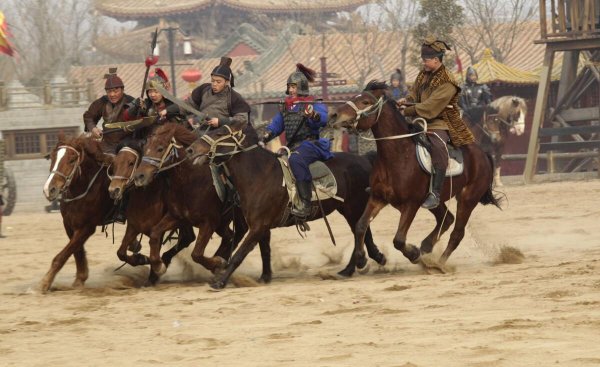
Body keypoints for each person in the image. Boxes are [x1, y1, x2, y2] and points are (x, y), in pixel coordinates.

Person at [398, 36, 475, 209]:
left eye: (425, 60)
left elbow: (431, 108)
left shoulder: (448, 81)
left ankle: (435, 193)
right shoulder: (423, 74)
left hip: (441, 122)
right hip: (418, 119)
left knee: (438, 148)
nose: (423, 63)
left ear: (436, 59)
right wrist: (405, 100)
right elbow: (414, 93)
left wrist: (407, 110)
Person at [261, 63, 330, 218]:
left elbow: (323, 119)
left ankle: (305, 203)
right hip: (291, 147)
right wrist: (266, 135)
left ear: (301, 87)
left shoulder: (313, 103)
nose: (291, 90)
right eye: (289, 87)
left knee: (297, 160)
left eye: (293, 87)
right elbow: (276, 125)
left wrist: (313, 115)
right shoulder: (286, 107)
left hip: (311, 144)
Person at [83, 68, 134, 146]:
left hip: (128, 144)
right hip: (107, 143)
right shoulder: (102, 102)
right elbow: (88, 116)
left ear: (122, 90)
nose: (112, 95)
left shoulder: (131, 102)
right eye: (109, 91)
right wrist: (93, 128)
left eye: (115, 91)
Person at [125, 68, 188, 132]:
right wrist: (136, 107)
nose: (152, 95)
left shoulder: (172, 104)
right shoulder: (146, 104)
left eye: (156, 92)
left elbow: (182, 107)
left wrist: (167, 112)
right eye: (150, 92)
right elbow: (128, 116)